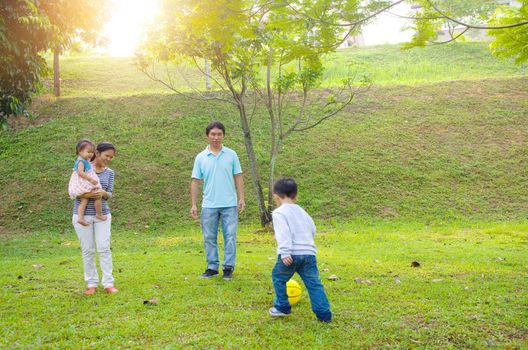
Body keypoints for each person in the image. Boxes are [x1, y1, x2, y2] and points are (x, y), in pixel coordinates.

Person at [269, 177, 332, 322]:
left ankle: (282, 307)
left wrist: (285, 252)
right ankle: (324, 315)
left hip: (290, 254)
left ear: (276, 197)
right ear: (295, 195)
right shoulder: (303, 212)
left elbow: (283, 233)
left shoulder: (279, 213)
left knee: (278, 277)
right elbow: (312, 229)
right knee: (314, 284)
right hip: (309, 254)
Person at [190, 121, 245, 280]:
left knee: (230, 236)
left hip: (229, 204)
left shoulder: (231, 154)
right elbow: (195, 181)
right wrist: (193, 204)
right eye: (213, 134)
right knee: (209, 237)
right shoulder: (201, 157)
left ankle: (228, 267)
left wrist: (241, 197)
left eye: (219, 134)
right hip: (209, 205)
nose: (216, 137)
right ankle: (212, 267)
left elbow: (238, 176)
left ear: (223, 135)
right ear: (208, 136)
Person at [72, 142, 118, 295]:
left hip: (102, 215)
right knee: (88, 249)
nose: (109, 159)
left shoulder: (109, 172)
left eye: (111, 157)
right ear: (97, 153)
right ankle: (91, 283)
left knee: (104, 248)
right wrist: (90, 195)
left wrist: (102, 193)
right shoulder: (82, 168)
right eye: (107, 156)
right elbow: (74, 190)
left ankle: (108, 283)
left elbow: (109, 194)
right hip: (83, 215)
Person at [68, 139, 107, 226]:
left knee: (84, 201)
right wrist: (90, 179)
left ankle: (80, 218)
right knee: (97, 195)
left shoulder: (84, 160)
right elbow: (80, 172)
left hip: (84, 182)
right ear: (80, 151)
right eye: (88, 152)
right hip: (85, 182)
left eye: (92, 152)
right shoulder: (81, 162)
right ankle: (99, 214)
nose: (90, 154)